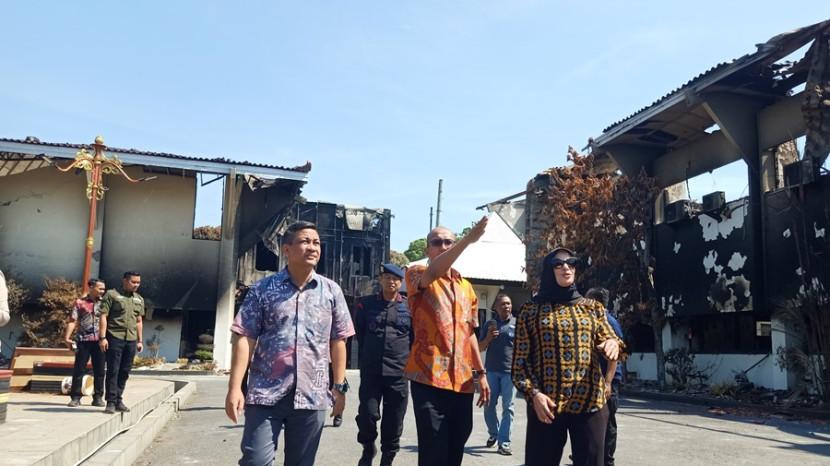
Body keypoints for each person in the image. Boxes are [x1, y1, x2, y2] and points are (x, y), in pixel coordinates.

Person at [224, 221, 355, 466]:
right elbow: (245, 337)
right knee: (256, 461)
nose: (312, 247)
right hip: (265, 392)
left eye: (316, 243)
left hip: (312, 394)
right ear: (287, 249)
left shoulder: (331, 291)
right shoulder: (263, 289)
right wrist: (234, 388)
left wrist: (339, 388)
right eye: (305, 241)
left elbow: (339, 340)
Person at [512, 247, 624, 466]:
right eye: (559, 264)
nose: (566, 267)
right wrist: (534, 394)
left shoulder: (592, 308)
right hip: (547, 404)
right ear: (549, 270)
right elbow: (520, 364)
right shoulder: (530, 310)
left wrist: (613, 343)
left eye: (571, 263)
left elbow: (612, 339)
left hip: (589, 401)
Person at [404, 217, 491, 466]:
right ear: (427, 249)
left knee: (456, 447)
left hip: (462, 381)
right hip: (429, 377)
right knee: (434, 449)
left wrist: (481, 373)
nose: (443, 246)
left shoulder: (466, 287)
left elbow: (469, 332)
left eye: (448, 242)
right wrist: (467, 240)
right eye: (437, 242)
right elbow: (434, 271)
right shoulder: (417, 273)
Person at [354, 263, 412, 466]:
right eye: (387, 277)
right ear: (380, 280)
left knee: (394, 420)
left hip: (398, 374)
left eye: (395, 279)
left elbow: (414, 339)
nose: (391, 282)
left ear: (401, 282)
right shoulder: (366, 304)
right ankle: (368, 447)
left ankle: (388, 457)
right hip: (372, 371)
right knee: (367, 415)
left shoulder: (410, 307)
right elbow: (360, 333)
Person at [585, 287, 624, 466]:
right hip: (596, 380)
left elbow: (615, 355)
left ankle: (607, 460)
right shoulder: (594, 320)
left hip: (608, 382)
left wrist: (608, 382)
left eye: (588, 300)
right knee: (594, 422)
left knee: (607, 422)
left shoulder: (608, 322)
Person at [99, 271, 147, 414]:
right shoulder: (112, 295)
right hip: (114, 337)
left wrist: (140, 340)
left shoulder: (139, 299)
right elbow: (103, 316)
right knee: (113, 370)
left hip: (131, 339)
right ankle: (111, 402)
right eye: (133, 282)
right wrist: (102, 337)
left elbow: (139, 321)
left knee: (125, 370)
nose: (136, 285)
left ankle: (119, 399)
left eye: (138, 282)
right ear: (125, 281)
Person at [478, 292, 516, 456]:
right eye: (503, 304)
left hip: (510, 373)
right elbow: (480, 348)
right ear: (495, 307)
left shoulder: (518, 323)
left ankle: (504, 442)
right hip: (491, 372)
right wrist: (488, 338)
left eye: (508, 303)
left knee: (508, 408)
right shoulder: (489, 324)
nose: (506, 306)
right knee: (488, 406)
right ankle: (494, 433)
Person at [64, 278, 107, 407]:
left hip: (100, 341)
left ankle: (98, 397)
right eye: (100, 288)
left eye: (104, 289)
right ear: (91, 287)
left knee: (100, 370)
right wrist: (67, 337)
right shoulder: (80, 302)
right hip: (83, 340)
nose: (102, 291)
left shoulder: (105, 303)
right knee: (79, 369)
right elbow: (73, 320)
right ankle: (75, 397)